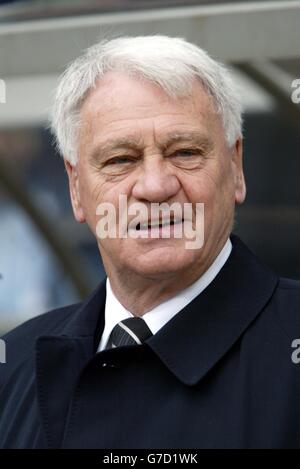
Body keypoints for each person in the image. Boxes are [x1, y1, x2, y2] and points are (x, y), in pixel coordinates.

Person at [1, 35, 300, 449]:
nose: (156, 186)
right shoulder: (13, 364)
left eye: (185, 152)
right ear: (75, 189)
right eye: (120, 160)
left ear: (236, 169)